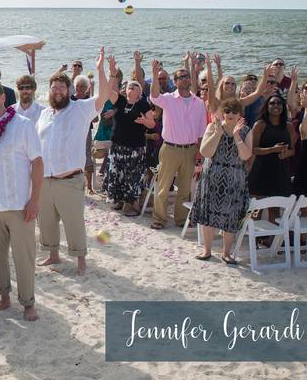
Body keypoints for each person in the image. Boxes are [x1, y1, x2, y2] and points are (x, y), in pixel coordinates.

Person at [35, 49, 109, 276]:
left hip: (69, 180)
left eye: (61, 88)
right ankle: (53, 254)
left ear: (69, 91)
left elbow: (104, 96)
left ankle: (81, 262)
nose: (57, 91)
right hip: (45, 179)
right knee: (46, 222)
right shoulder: (45, 113)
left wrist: (100, 69)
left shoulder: (80, 109)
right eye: (53, 88)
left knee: (74, 223)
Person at [0, 80, 43, 322]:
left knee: (24, 256)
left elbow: (37, 163)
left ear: (3, 97)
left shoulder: (23, 125)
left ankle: (28, 302)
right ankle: (4, 297)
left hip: (19, 204)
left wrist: (34, 200)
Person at [190, 98, 253, 264]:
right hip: (212, 176)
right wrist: (218, 133)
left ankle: (226, 253)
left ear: (240, 114)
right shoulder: (213, 127)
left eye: (234, 111)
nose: (231, 114)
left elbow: (246, 156)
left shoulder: (246, 131)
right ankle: (207, 250)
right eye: (228, 111)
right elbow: (205, 152)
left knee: (230, 215)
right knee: (208, 213)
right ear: (223, 113)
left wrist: (237, 136)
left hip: (235, 179)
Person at [148, 60, 208, 230]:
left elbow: (202, 130)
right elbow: (154, 97)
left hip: (190, 149)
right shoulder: (168, 99)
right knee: (163, 186)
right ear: (175, 82)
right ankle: (159, 219)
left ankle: (181, 219)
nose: (184, 79)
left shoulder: (199, 103)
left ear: (190, 79)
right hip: (170, 149)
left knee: (184, 188)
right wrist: (154, 75)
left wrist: (199, 151)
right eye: (180, 77)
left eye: (186, 76)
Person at [102, 74, 155, 216]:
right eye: (130, 85)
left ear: (140, 92)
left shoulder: (143, 104)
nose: (131, 85)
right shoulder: (120, 101)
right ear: (125, 90)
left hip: (134, 149)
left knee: (131, 177)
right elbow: (107, 91)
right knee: (117, 174)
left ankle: (130, 205)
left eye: (135, 85)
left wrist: (145, 122)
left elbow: (152, 123)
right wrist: (112, 74)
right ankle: (119, 201)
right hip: (117, 147)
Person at [248, 94, 295, 197]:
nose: (276, 105)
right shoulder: (259, 125)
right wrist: (272, 150)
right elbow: (253, 150)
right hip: (262, 169)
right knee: (257, 209)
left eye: (279, 103)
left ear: (283, 107)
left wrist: (287, 153)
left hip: (281, 170)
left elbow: (293, 150)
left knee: (276, 207)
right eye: (272, 103)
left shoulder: (289, 126)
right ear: (267, 106)